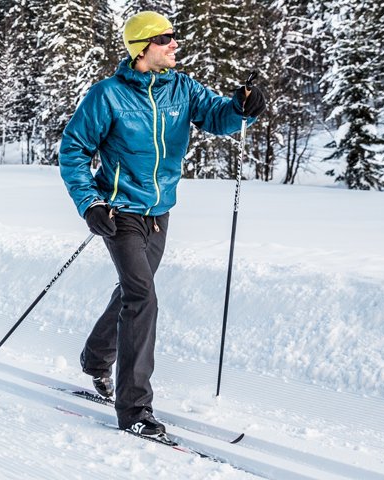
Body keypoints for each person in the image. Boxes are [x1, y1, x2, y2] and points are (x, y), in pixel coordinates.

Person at [58, 11, 268, 438]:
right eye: (165, 39)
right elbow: (73, 151)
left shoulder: (182, 88)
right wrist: (89, 203)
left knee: (133, 291)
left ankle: (96, 360)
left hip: (159, 213)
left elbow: (218, 116)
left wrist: (242, 107)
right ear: (141, 48)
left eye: (174, 37)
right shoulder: (109, 96)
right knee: (142, 296)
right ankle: (134, 408)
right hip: (119, 212)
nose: (175, 44)